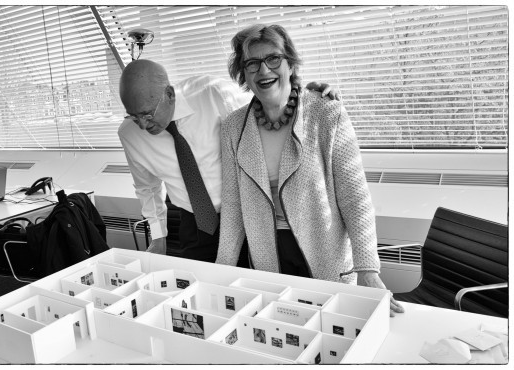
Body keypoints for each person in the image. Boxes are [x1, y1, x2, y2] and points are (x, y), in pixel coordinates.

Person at [215, 24, 404, 316]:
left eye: (273, 58)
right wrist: (220, 274)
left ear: (290, 63)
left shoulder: (326, 113)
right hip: (267, 255)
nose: (264, 70)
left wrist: (367, 269)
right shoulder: (232, 127)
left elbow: (355, 199)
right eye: (252, 63)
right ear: (244, 75)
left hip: (325, 254)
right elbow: (233, 207)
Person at [118, 59, 339, 265]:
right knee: (200, 290)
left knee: (253, 286)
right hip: (194, 224)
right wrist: (158, 239)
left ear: (169, 94)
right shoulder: (129, 134)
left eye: (147, 115)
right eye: (133, 116)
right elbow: (147, 188)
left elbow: (266, 114)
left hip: (245, 213)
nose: (143, 125)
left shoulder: (212, 94)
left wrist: (304, 99)